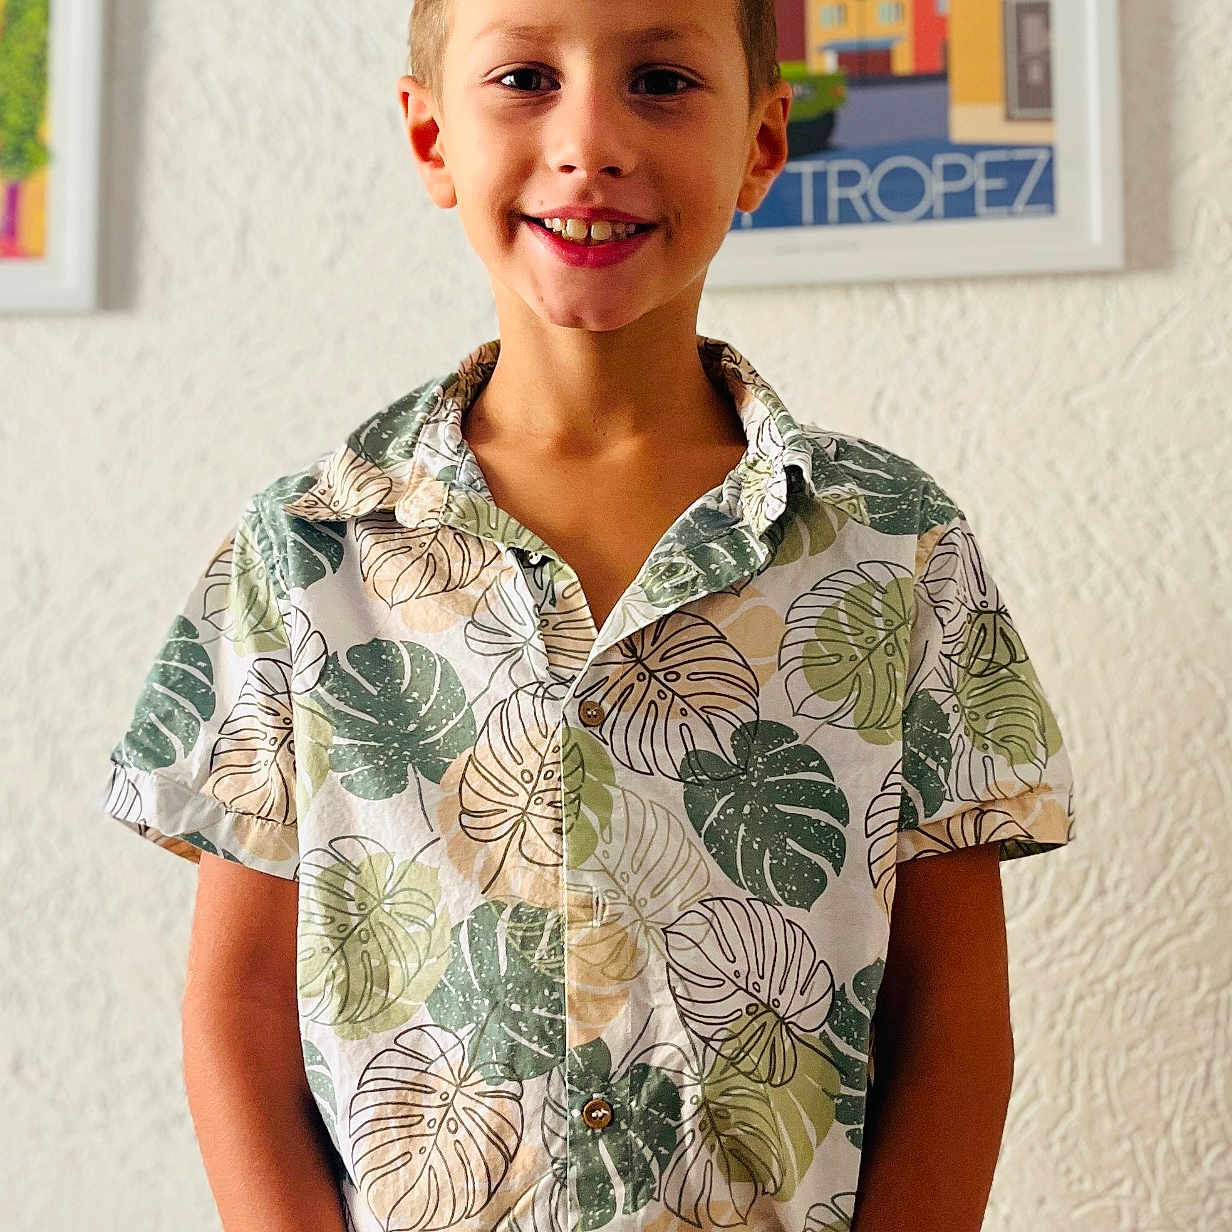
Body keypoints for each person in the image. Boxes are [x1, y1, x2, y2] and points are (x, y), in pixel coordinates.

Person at [98, 1, 1078, 1229]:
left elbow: (952, 1021)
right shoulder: (304, 551)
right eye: (521, 76)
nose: (589, 140)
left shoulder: (894, 541)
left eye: (661, 81)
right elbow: (236, 1016)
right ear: (429, 139)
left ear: (761, 143)